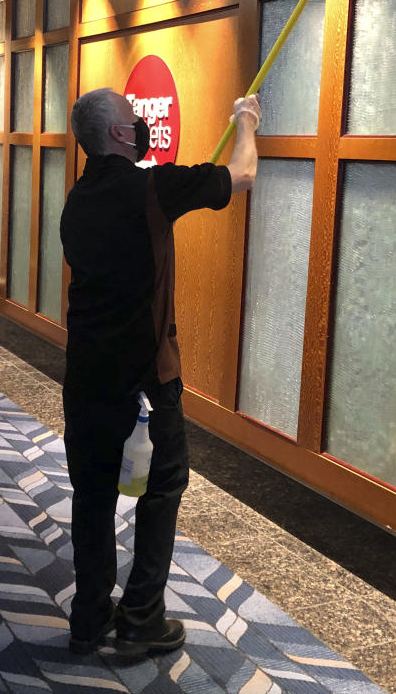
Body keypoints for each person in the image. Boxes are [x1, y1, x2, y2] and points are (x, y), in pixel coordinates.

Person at [60, 88, 261, 656]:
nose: (141, 122)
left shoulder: (78, 198)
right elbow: (241, 174)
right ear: (120, 135)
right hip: (145, 381)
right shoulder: (151, 187)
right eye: (133, 117)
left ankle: (89, 616)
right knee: (163, 486)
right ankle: (141, 618)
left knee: (93, 494)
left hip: (85, 375)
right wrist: (245, 121)